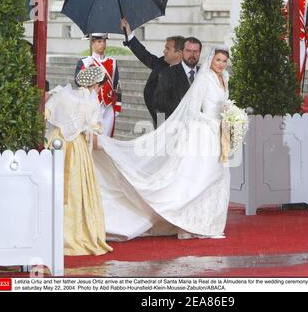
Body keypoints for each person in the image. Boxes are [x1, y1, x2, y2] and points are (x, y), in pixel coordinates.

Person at [92, 46, 231, 241]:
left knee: (215, 176)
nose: (221, 64)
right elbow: (193, 109)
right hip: (203, 133)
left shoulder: (225, 78)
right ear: (211, 60)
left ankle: (205, 221)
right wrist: (213, 122)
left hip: (218, 135)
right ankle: (184, 221)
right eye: (218, 60)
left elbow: (224, 104)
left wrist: (229, 117)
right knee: (199, 177)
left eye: (224, 61)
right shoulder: (205, 78)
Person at [45, 66, 113, 256]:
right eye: (99, 86)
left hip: (57, 141)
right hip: (76, 147)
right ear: (95, 85)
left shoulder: (62, 94)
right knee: (76, 188)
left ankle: (51, 232)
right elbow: (95, 127)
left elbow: (46, 113)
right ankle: (77, 233)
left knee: (54, 185)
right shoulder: (91, 102)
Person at [120, 18, 184, 128]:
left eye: (167, 49)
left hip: (178, 123)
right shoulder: (162, 63)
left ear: (179, 52)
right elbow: (145, 55)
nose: (164, 51)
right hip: (159, 119)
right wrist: (128, 33)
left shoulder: (187, 74)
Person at [75, 33, 120, 137]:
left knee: (106, 139)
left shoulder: (112, 62)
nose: (103, 44)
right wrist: (85, 67)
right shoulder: (84, 62)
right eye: (99, 41)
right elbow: (78, 82)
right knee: (93, 138)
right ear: (92, 43)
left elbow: (117, 85)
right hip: (91, 105)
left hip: (108, 105)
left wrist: (117, 107)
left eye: (104, 41)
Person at [154, 37, 202, 121]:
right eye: (188, 51)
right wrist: (161, 131)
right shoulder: (167, 74)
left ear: (200, 53)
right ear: (181, 52)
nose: (192, 55)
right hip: (175, 128)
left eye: (195, 51)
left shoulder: (204, 74)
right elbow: (159, 106)